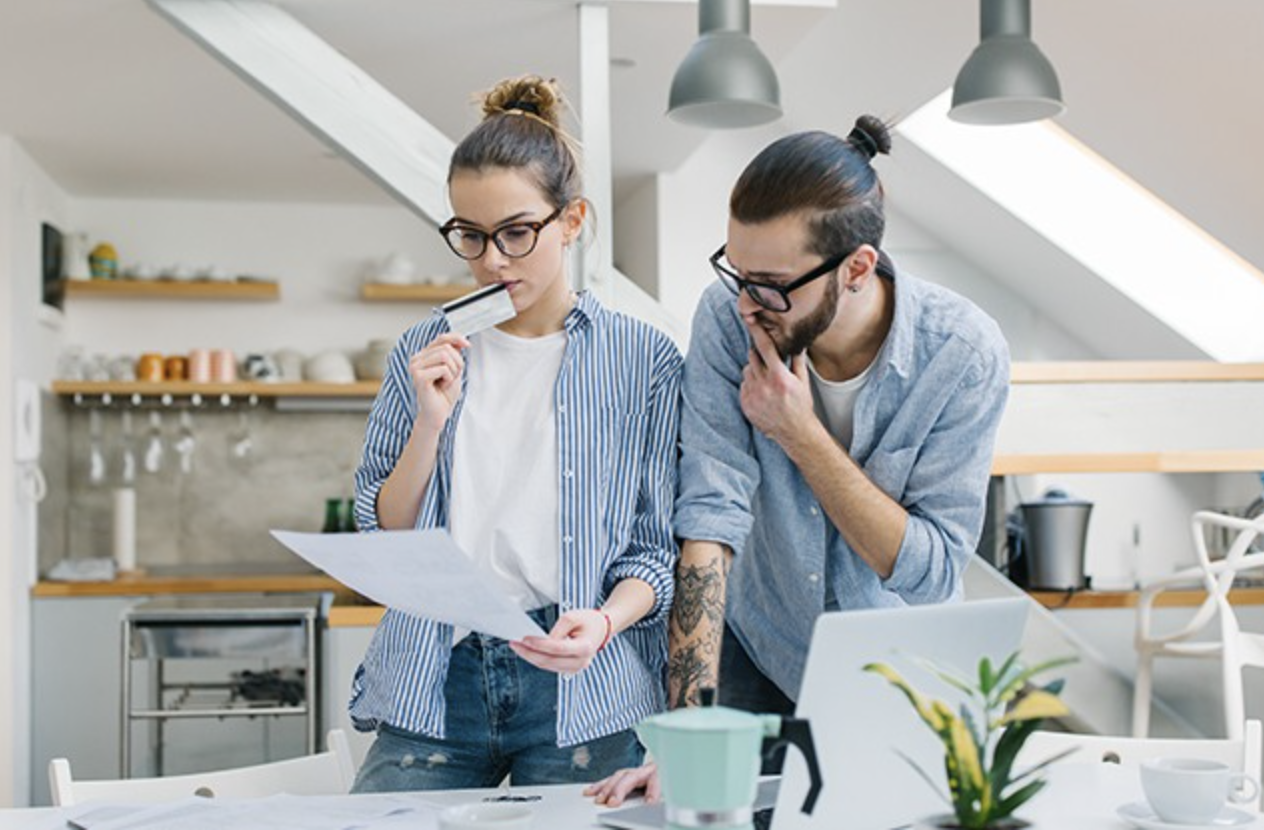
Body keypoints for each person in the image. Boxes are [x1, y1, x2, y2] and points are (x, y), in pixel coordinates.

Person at [587, 116, 1010, 805]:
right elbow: (708, 521)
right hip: (761, 642)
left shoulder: (961, 353)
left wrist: (799, 432)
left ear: (856, 268)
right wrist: (684, 734)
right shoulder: (732, 317)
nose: (749, 302)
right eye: (737, 271)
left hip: (893, 666)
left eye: (772, 283)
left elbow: (930, 572)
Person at [349, 75, 683, 792]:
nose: (491, 261)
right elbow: (382, 530)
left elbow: (655, 550)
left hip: (582, 681)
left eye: (516, 232)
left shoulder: (642, 359)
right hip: (437, 674)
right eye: (469, 235)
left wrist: (603, 621)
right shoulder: (423, 347)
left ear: (573, 220)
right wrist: (430, 423)